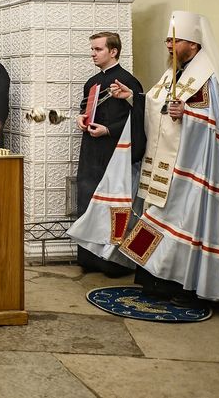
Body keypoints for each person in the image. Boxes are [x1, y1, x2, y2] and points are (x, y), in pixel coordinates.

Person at [70, 11, 219, 302]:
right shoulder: (172, 74)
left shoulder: (208, 78)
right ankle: (154, 282)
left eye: (174, 40)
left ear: (193, 43)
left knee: (182, 224)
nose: (168, 44)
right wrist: (132, 97)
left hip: (192, 170)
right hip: (163, 167)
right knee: (154, 218)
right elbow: (156, 107)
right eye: (167, 40)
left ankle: (184, 288)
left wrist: (189, 114)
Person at [73, 32, 143, 276]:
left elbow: (138, 118)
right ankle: (89, 259)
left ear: (113, 51)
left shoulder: (128, 82)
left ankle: (112, 263)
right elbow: (85, 109)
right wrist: (81, 118)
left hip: (115, 153)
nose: (93, 53)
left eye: (98, 49)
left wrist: (108, 130)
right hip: (91, 151)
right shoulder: (92, 82)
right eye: (92, 49)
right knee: (88, 200)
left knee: (112, 207)